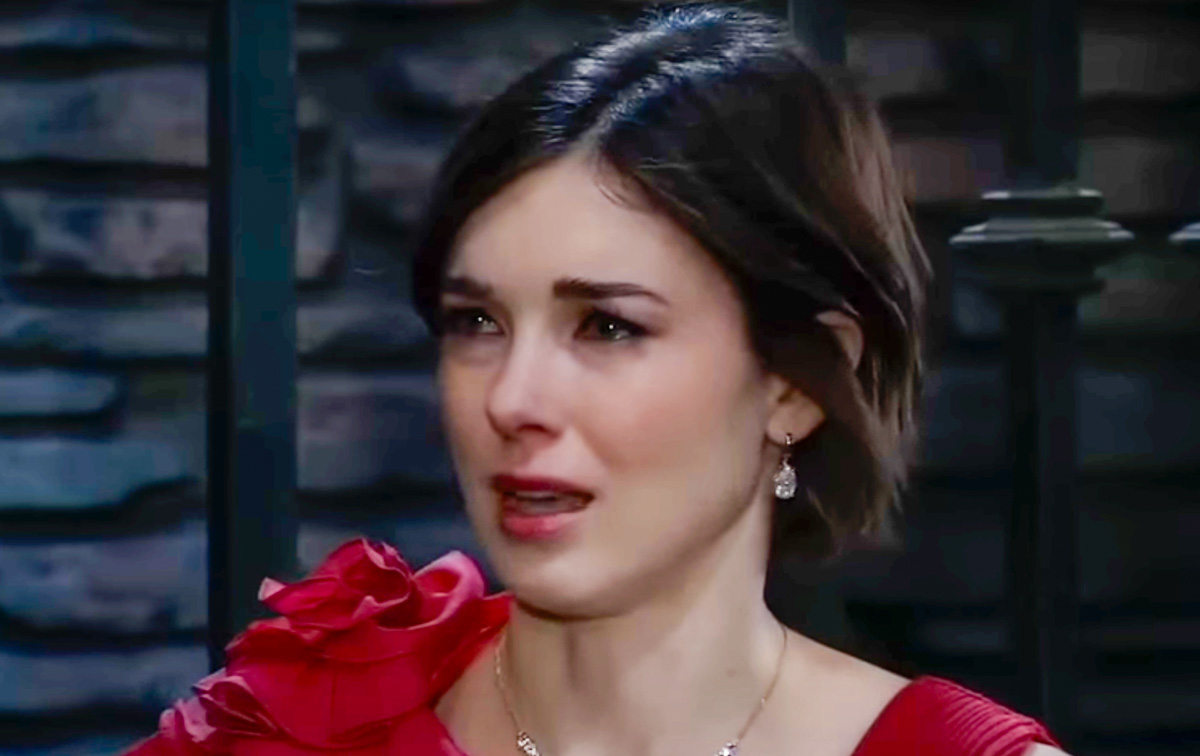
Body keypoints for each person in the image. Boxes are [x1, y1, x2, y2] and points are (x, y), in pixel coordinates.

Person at [127, 5, 1066, 756]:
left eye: (609, 326)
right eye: (477, 323)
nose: (512, 400)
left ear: (794, 386)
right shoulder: (290, 729)